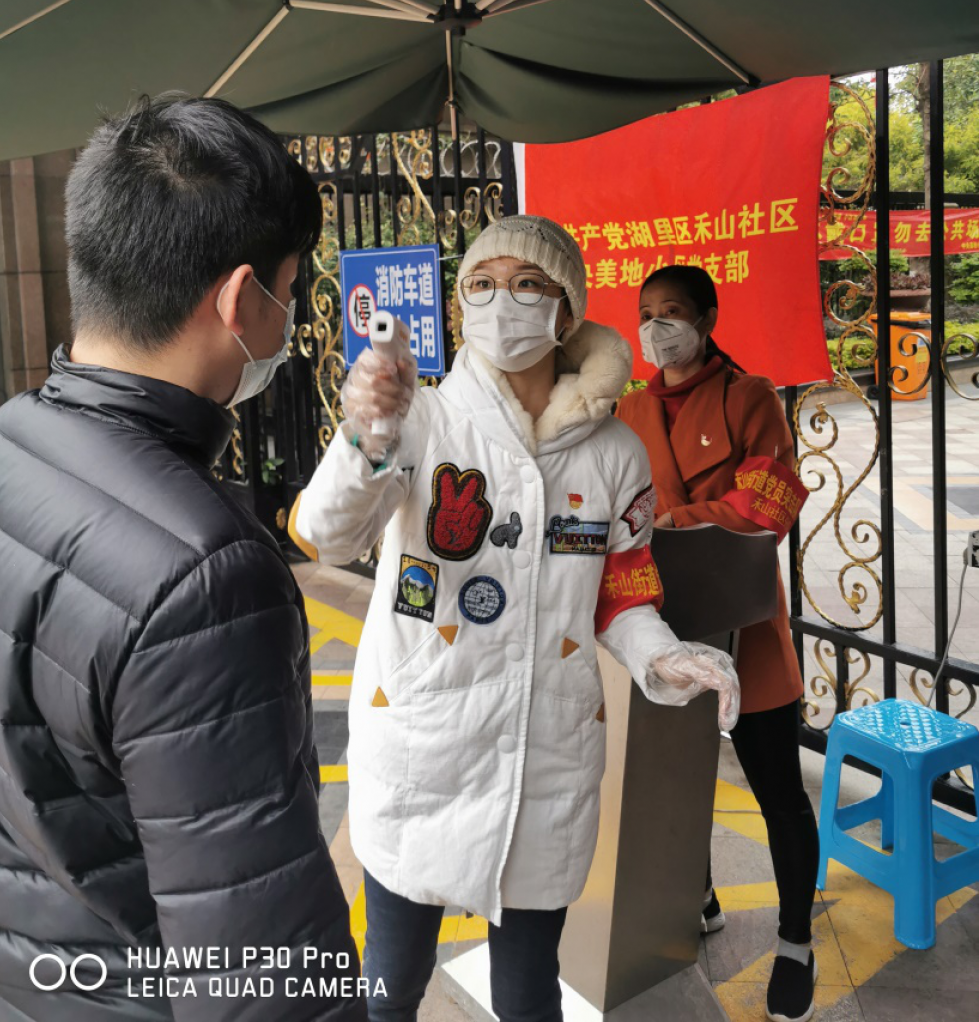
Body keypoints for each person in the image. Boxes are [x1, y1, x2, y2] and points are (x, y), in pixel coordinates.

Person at [293, 215, 740, 1022]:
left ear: (567, 308)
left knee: (530, 998)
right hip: (423, 743)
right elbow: (327, 535)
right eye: (483, 284)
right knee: (390, 988)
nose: (504, 302)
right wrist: (364, 434)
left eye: (528, 283)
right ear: (459, 305)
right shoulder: (422, 419)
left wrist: (660, 655)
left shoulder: (615, 452)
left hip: (548, 758)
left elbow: (622, 591)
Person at [0, 97, 363, 1022]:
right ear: (239, 300)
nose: (287, 321)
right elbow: (260, 973)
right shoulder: (205, 576)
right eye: (289, 288)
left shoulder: (1, 444)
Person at [616, 265, 818, 1022]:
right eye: (646, 312)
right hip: (656, 623)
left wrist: (676, 519)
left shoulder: (750, 397)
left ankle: (796, 941)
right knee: (671, 776)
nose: (656, 327)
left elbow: (769, 500)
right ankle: (696, 895)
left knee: (777, 790)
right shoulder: (628, 407)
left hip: (743, 621)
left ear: (706, 319)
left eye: (671, 311)